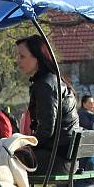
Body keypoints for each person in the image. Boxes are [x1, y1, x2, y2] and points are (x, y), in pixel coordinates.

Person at [15, 35, 79, 174]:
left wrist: (24, 145)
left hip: (57, 160)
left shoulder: (45, 85)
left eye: (22, 56)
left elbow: (46, 130)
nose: (17, 61)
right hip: (67, 158)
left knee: (4, 162)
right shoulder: (53, 79)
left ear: (37, 57)